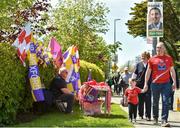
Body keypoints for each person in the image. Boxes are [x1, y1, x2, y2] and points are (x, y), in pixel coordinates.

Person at [143, 42, 177, 127]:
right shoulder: (152, 59)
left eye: (160, 47)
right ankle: (155, 117)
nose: (158, 49)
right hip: (155, 84)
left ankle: (164, 120)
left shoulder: (169, 58)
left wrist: (174, 82)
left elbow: (172, 71)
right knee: (155, 102)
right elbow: (148, 72)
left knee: (166, 102)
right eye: (157, 47)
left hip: (166, 84)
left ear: (164, 48)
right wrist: (146, 83)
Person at [132, 51, 151, 121]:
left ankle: (148, 116)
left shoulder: (151, 64)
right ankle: (140, 115)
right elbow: (135, 74)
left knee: (148, 100)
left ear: (147, 57)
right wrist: (132, 82)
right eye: (142, 56)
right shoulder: (138, 64)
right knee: (140, 101)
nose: (142, 57)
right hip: (139, 85)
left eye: (144, 56)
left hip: (148, 85)